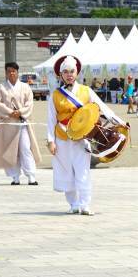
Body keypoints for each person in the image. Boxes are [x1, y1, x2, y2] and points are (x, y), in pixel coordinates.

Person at [47, 55, 126, 215]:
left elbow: (102, 108)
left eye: (72, 71)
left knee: (82, 169)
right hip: (62, 137)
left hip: (82, 137)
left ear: (76, 73)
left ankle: (85, 205)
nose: (69, 75)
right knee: (66, 171)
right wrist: (51, 141)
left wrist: (120, 122)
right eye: (66, 72)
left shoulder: (86, 91)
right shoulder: (55, 95)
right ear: (60, 75)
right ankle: (73, 204)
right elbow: (51, 119)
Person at [0, 62, 42, 185]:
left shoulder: (25, 87)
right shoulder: (1, 88)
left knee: (25, 148)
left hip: (22, 122)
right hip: (8, 123)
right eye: (9, 71)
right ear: (6, 73)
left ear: (17, 72)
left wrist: (20, 112)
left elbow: (29, 103)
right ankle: (14, 177)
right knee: (11, 150)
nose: (11, 73)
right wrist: (11, 112)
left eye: (13, 71)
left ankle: (31, 176)